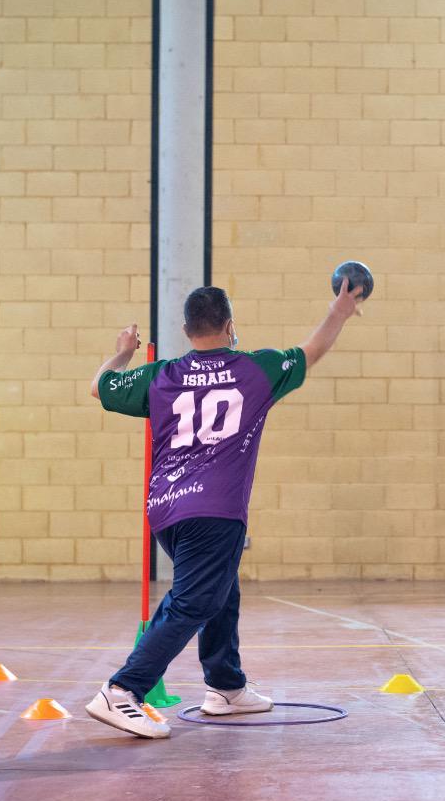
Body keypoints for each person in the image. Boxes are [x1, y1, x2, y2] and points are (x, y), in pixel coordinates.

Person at [84, 279, 364, 738]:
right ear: (230, 326)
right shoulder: (255, 369)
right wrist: (340, 309)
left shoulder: (162, 375)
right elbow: (312, 350)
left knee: (220, 588)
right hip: (215, 511)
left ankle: (226, 687)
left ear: (186, 329)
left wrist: (123, 352)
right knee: (195, 600)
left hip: (166, 512)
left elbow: (99, 387)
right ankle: (122, 690)